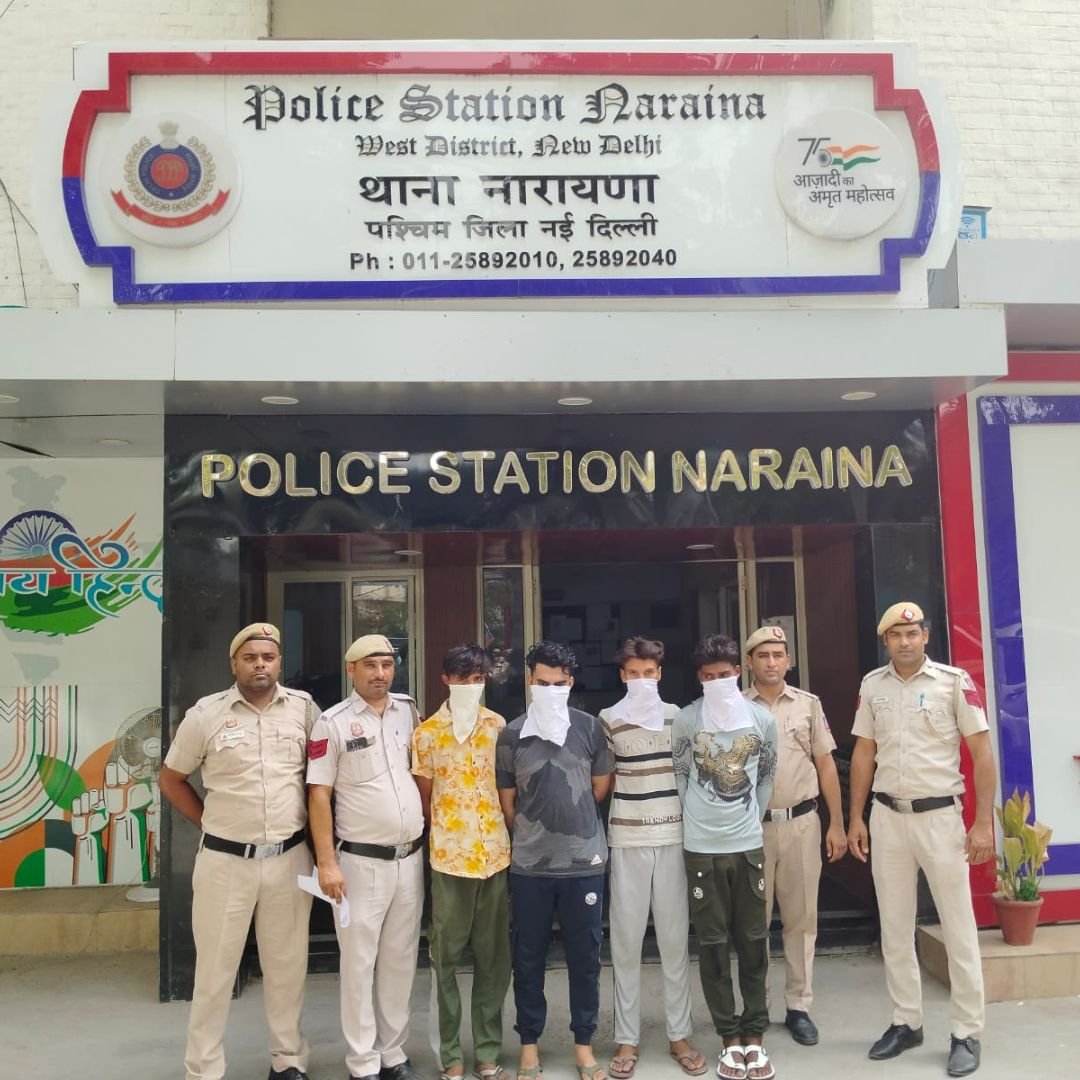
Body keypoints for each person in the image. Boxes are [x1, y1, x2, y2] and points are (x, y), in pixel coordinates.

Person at [159, 622, 316, 1080]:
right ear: (234, 664)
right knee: (214, 972)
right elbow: (171, 779)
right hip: (225, 863)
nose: (259, 665)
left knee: (287, 968)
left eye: (268, 657)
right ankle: (204, 1068)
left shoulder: (304, 709)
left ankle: (288, 1060)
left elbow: (320, 778)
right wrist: (208, 822)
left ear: (279, 661)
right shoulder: (205, 715)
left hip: (289, 858)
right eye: (250, 658)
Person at [847, 602, 995, 1078]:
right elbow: (864, 753)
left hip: (940, 819)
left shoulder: (954, 682)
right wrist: (855, 817)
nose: (905, 641)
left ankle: (966, 1032)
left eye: (912, 633)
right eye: (896, 635)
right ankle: (906, 1022)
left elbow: (982, 753)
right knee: (895, 927)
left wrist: (983, 823)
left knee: (958, 928)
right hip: (888, 817)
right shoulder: (873, 685)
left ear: (926, 636)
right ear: (886, 641)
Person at [307, 634, 427, 1080]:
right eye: (370, 665)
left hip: (408, 860)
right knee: (359, 963)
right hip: (359, 864)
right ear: (351, 669)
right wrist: (327, 863)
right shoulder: (332, 723)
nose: (380, 674)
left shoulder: (408, 711)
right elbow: (319, 795)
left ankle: (393, 1053)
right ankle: (362, 1062)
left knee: (400, 960)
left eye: (387, 665)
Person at [495, 640, 614, 1080]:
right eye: (542, 683)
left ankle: (584, 1045)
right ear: (530, 681)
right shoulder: (511, 734)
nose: (550, 690)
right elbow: (508, 802)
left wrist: (571, 823)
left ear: (571, 683)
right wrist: (536, 832)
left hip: (584, 864)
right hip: (530, 867)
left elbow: (600, 786)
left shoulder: (590, 728)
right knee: (527, 958)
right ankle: (529, 1045)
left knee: (586, 958)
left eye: (559, 684)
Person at [672, 633, 779, 1080]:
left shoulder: (761, 720)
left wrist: (749, 819)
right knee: (713, 945)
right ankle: (729, 1040)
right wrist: (700, 821)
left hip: (747, 846)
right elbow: (681, 777)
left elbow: (767, 775)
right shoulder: (687, 720)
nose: (717, 681)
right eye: (709, 676)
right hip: (702, 850)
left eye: (724, 673)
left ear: (738, 671)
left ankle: (755, 1037)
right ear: (699, 678)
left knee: (753, 942)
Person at [598, 636, 704, 1079]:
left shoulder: (678, 716)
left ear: (659, 673)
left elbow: (692, 775)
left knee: (675, 940)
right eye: (633, 673)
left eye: (648, 672)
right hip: (627, 836)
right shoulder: (607, 719)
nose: (641, 679)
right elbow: (604, 779)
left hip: (674, 835)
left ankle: (679, 1034)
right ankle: (627, 1038)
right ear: (622, 675)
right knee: (625, 941)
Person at [412, 644, 512, 1080]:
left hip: (495, 857)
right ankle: (451, 1054)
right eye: (463, 678)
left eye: (478, 678)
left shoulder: (498, 727)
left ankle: (488, 1050)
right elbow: (425, 799)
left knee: (494, 960)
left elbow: (507, 788)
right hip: (450, 860)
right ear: (446, 681)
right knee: (445, 960)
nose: (472, 685)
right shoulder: (427, 734)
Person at [743, 625, 846, 1046]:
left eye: (778, 655)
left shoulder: (808, 704)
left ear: (789, 660)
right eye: (762, 655)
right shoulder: (735, 707)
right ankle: (757, 1006)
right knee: (753, 922)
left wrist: (837, 823)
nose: (771, 662)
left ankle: (798, 1005)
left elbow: (826, 764)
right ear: (749, 662)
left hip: (802, 823)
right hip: (751, 829)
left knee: (801, 920)